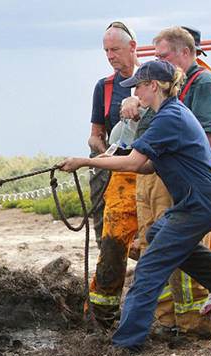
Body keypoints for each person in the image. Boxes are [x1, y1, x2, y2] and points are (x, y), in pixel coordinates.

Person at [60, 59, 211, 350]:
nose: (134, 93)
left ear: (154, 86)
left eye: (138, 87)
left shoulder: (168, 118)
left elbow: (134, 162)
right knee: (157, 233)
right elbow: (146, 166)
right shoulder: (168, 115)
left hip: (201, 202)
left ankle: (126, 343)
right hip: (199, 200)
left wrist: (85, 161)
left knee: (148, 269)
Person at [121, 26, 211, 338]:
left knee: (172, 254)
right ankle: (169, 320)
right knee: (155, 245)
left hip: (183, 187)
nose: (161, 61)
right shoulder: (166, 95)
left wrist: (180, 180)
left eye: (163, 56)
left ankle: (195, 324)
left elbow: (208, 140)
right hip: (159, 179)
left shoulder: (205, 83)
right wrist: (132, 106)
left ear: (186, 52)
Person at [86, 21, 140, 328]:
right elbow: (95, 134)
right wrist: (101, 151)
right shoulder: (104, 88)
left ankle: (154, 307)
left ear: (132, 47)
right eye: (106, 51)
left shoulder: (154, 79)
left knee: (152, 240)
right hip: (113, 171)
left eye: (115, 50)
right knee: (109, 242)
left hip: (147, 172)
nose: (110, 56)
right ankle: (103, 314)